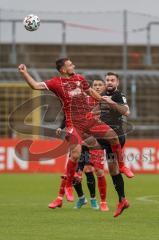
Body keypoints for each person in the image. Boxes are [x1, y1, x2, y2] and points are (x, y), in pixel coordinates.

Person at [18, 58, 129, 217]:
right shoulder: (56, 83)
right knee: (77, 155)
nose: (74, 66)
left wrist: (107, 101)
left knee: (109, 149)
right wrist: (25, 73)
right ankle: (67, 190)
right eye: (70, 65)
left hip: (90, 123)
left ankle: (119, 176)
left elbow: (91, 93)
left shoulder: (80, 79)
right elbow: (35, 86)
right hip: (74, 125)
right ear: (63, 69)